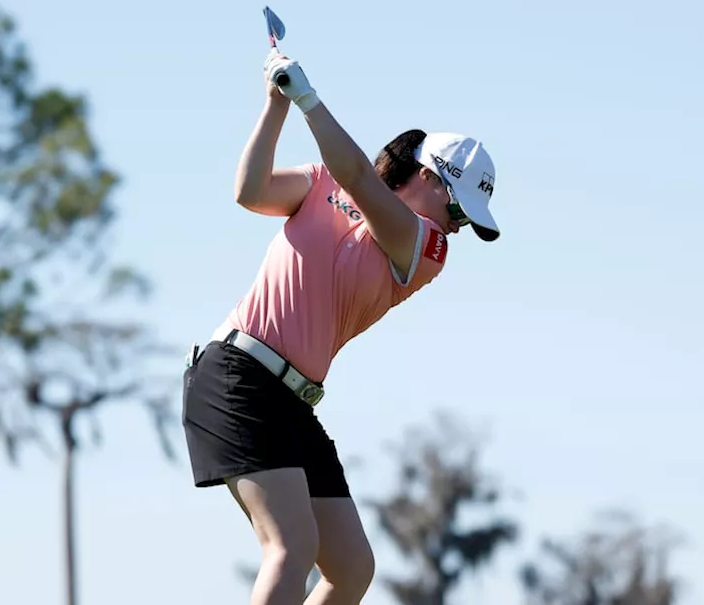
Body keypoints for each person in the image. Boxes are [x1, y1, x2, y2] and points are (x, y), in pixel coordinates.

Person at [180, 49, 500, 605]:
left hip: (290, 401)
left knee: (351, 568)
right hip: (237, 374)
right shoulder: (322, 181)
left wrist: (310, 98)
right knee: (291, 546)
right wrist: (277, 104)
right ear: (428, 176)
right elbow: (249, 190)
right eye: (458, 210)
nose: (458, 227)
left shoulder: (425, 247)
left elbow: (358, 177)